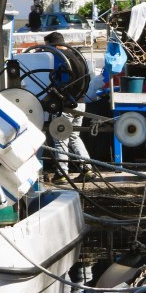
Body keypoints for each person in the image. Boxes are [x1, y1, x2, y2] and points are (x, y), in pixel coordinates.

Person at [42, 31, 92, 183]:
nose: (47, 50)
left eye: (48, 47)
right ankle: (87, 169)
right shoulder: (76, 56)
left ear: (54, 45)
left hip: (67, 103)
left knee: (60, 136)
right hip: (81, 102)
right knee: (74, 135)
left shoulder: (59, 58)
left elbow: (59, 82)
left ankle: (62, 173)